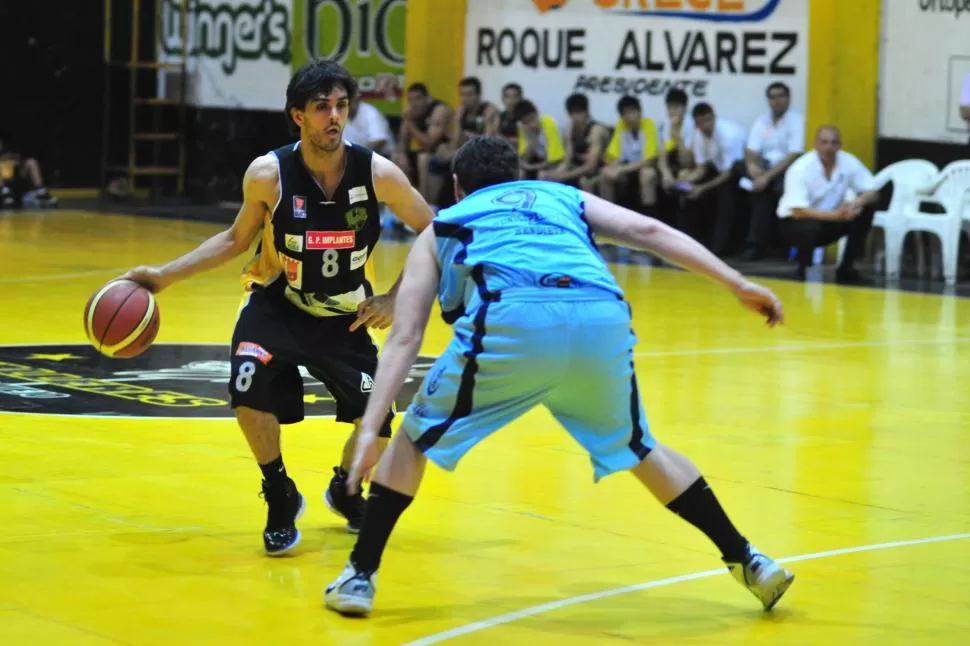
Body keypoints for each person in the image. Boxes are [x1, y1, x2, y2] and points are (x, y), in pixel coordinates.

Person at [324, 135, 794, 616]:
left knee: (411, 441)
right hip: (600, 316)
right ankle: (748, 559)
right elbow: (651, 231)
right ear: (519, 173)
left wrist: (369, 429)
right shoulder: (560, 196)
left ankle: (359, 575)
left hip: (514, 319)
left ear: (459, 186)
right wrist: (736, 282)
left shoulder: (443, 224)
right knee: (639, 447)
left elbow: (407, 335)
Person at [120, 60, 434, 554]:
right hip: (277, 307)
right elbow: (234, 239)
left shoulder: (377, 174)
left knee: (373, 428)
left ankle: (346, 487)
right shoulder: (269, 174)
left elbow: (434, 229)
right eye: (321, 108)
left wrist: (396, 296)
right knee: (247, 387)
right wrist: (163, 276)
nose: (334, 117)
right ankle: (279, 492)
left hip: (344, 317)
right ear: (297, 116)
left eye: (341, 106)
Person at [776, 126, 882, 283]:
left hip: (832, 219)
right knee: (809, 227)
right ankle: (802, 268)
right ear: (815, 145)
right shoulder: (800, 169)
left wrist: (857, 203)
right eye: (824, 143)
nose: (829, 148)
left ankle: (847, 267)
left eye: (834, 143)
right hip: (795, 222)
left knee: (867, 209)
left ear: (840, 145)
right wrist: (837, 215)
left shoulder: (848, 161)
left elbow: (873, 192)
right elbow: (798, 211)